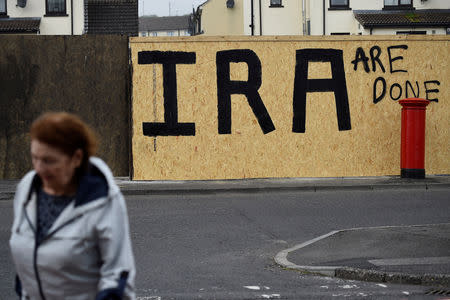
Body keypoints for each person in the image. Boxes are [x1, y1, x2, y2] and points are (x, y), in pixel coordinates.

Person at [9, 112, 136, 300]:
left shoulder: (103, 200)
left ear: (76, 158)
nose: (39, 168)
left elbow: (117, 276)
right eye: (34, 158)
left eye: (49, 161)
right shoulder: (28, 188)